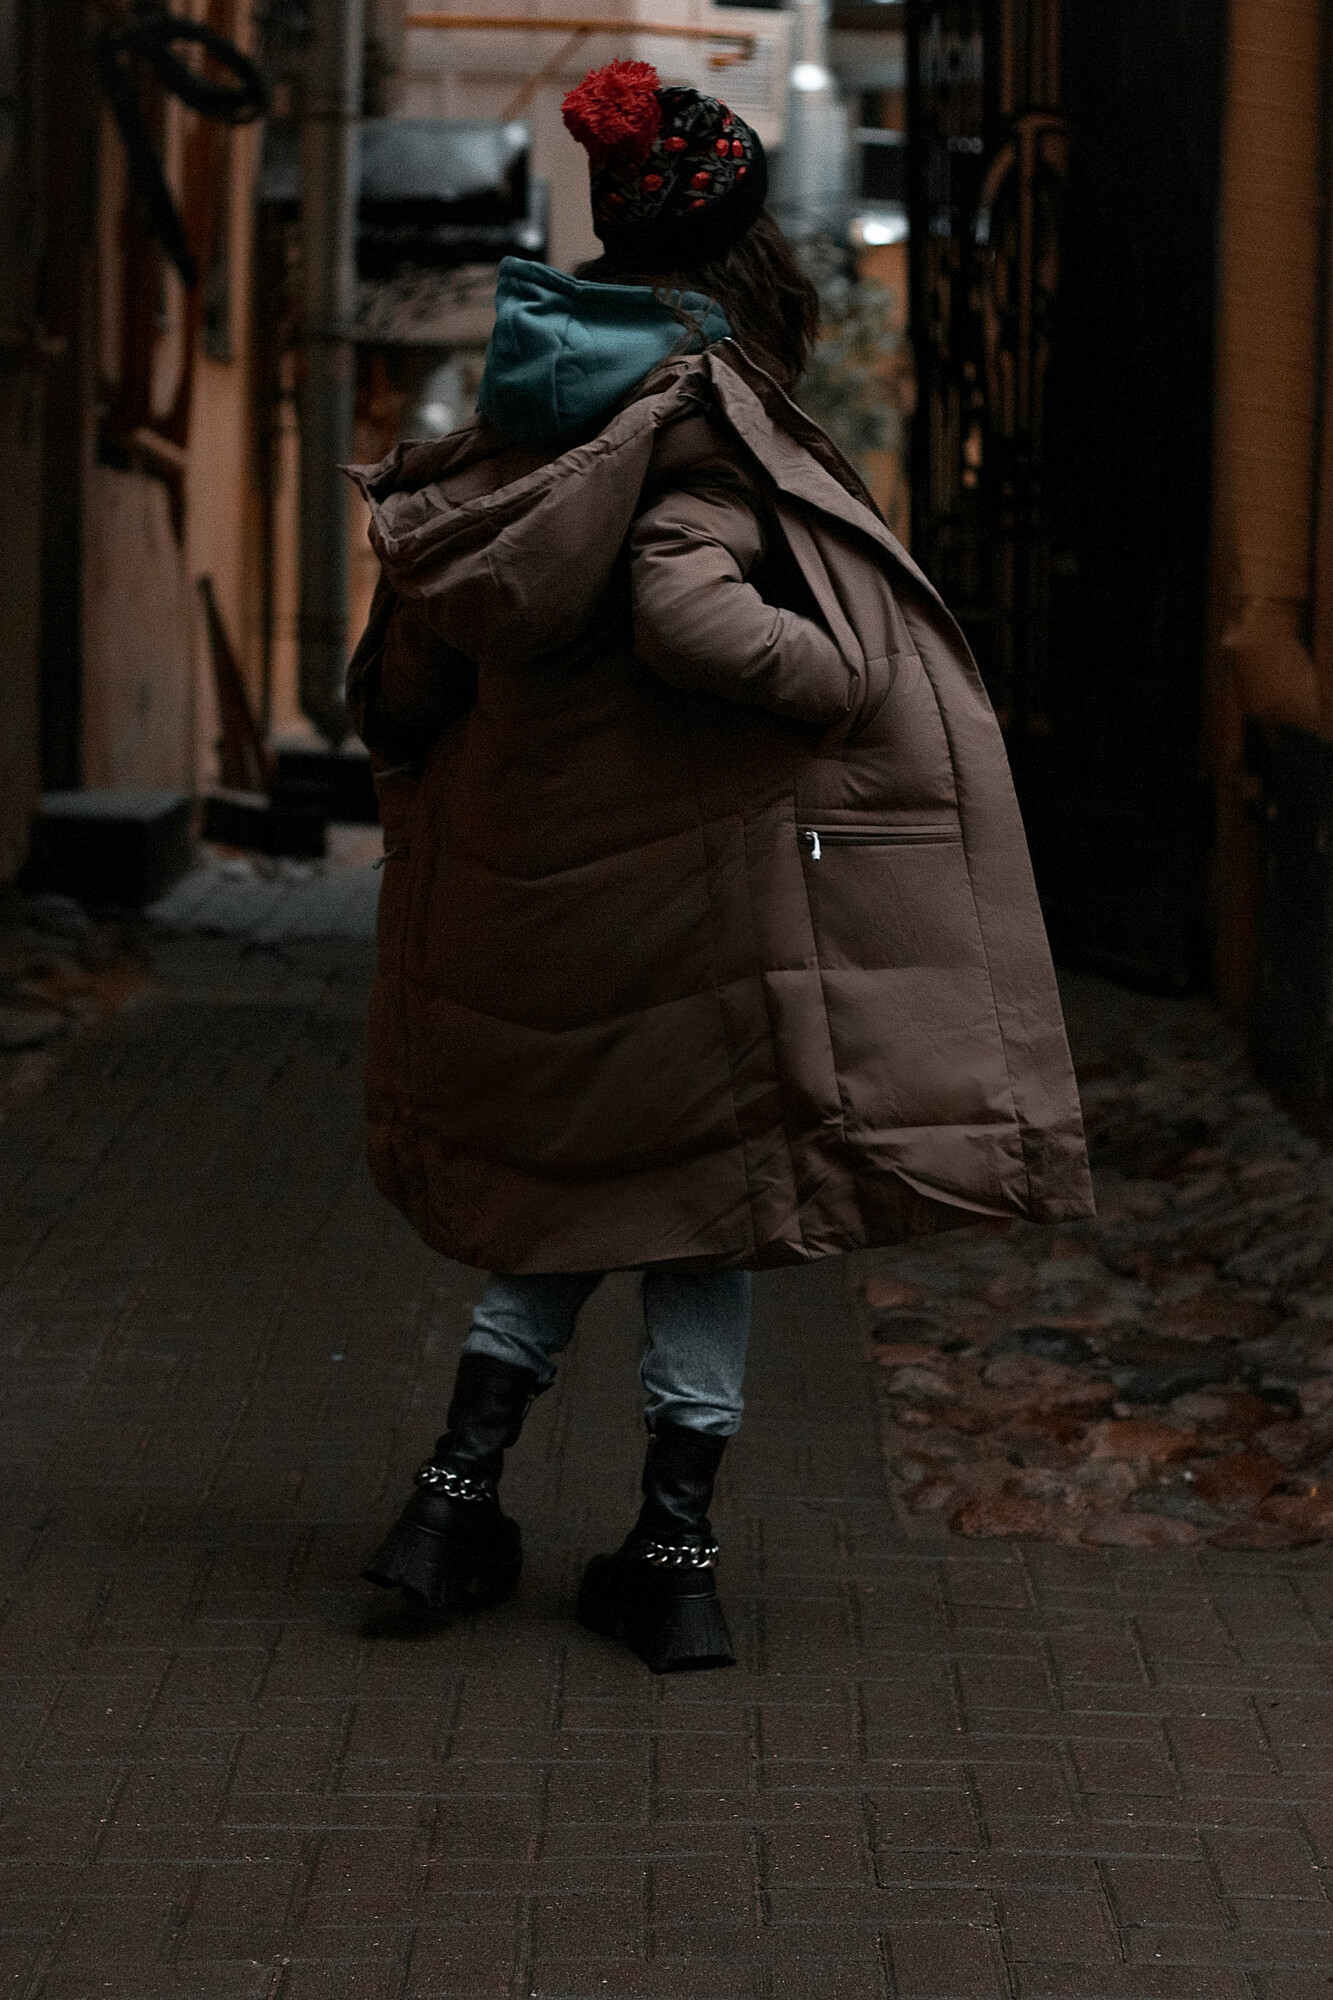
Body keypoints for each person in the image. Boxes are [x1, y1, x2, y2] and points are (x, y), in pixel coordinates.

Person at [345, 60, 1095, 1674]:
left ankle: (448, 1509)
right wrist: (841, 675)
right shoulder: (698, 427)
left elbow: (410, 680)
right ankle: (672, 1562)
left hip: (540, 904)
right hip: (684, 902)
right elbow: (690, 615)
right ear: (749, 254)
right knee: (706, 1220)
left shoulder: (527, 429)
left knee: (557, 1206)